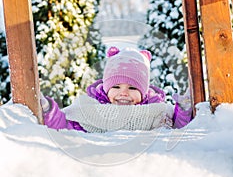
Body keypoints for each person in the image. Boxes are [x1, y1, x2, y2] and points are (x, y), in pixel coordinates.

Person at [40, 46, 192, 133]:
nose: (124, 93)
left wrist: (184, 109)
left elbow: (178, 129)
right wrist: (48, 111)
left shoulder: (157, 112)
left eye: (132, 87)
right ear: (106, 88)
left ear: (144, 92)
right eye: (116, 86)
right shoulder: (89, 111)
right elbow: (65, 127)